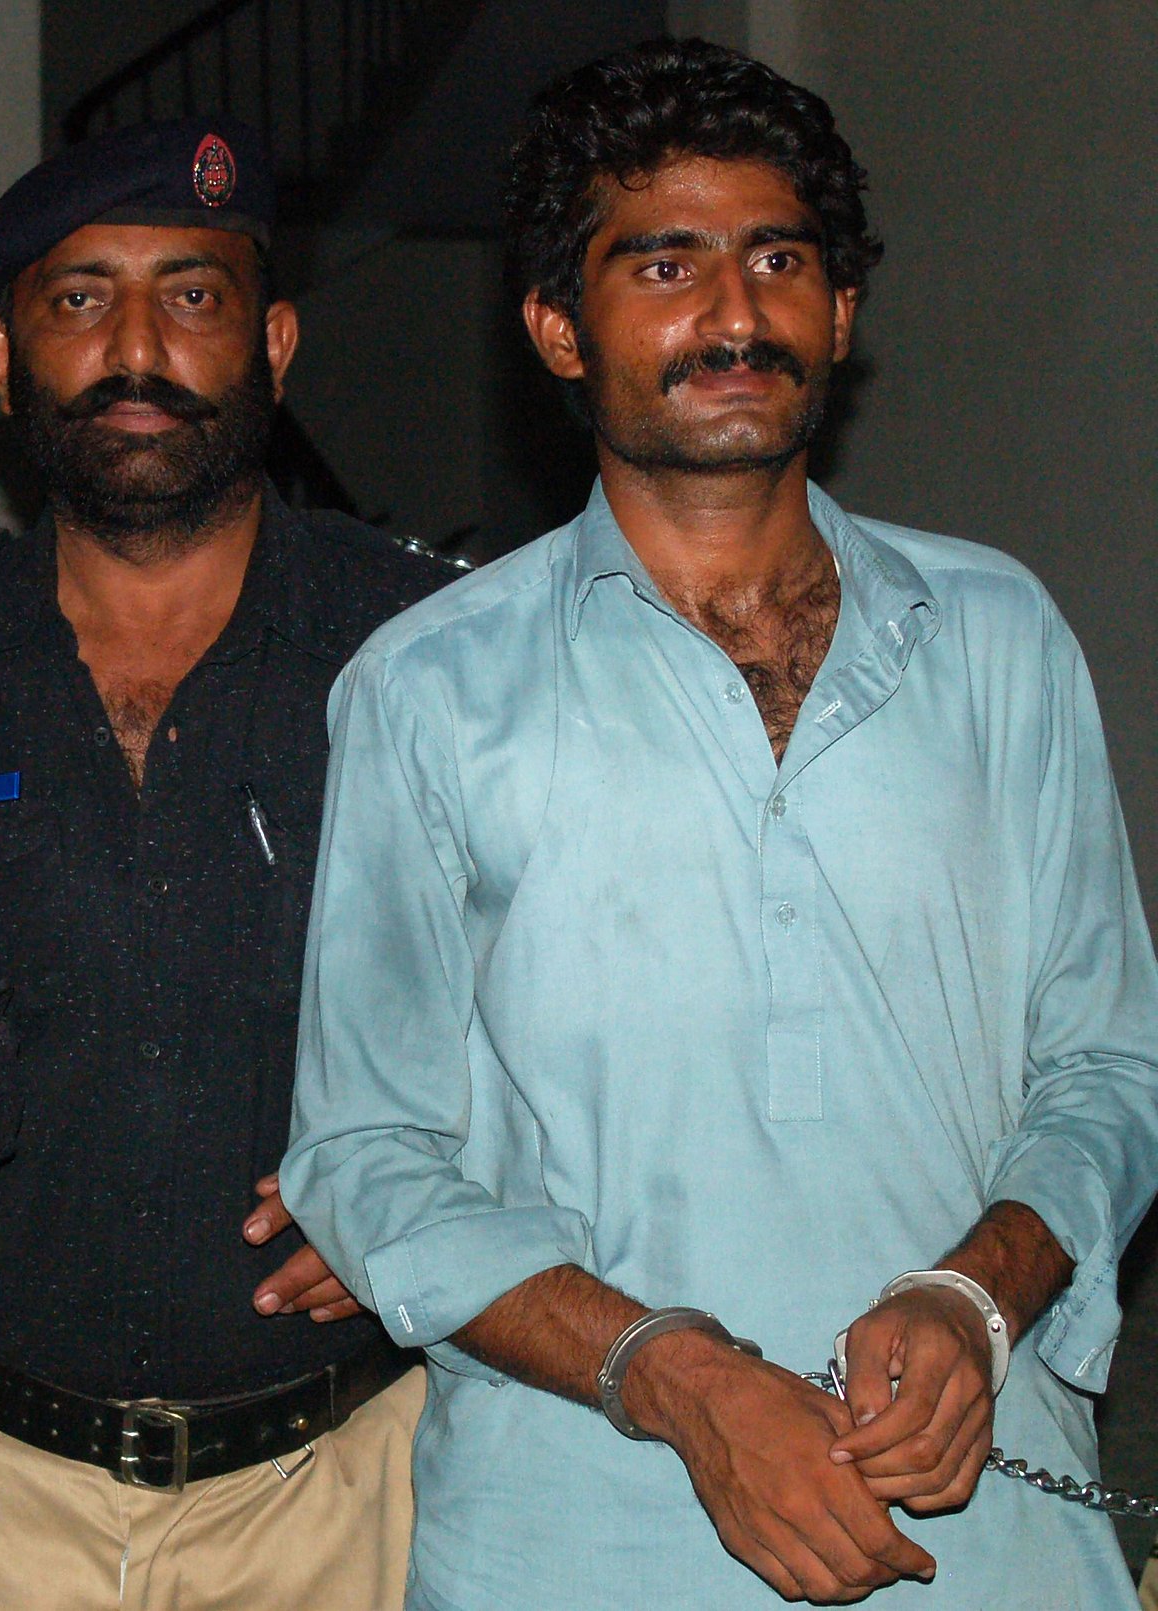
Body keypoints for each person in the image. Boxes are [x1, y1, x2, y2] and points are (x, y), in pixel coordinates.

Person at [281, 36, 1158, 1611]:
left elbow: (1110, 1065)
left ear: (841, 307)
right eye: (664, 265)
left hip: (977, 1530)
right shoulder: (429, 690)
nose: (734, 315)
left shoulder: (997, 635)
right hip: (580, 1536)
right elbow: (365, 1155)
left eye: (777, 260)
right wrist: (677, 1376)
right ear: (558, 324)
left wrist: (979, 1291)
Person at [0, 115, 454, 1609]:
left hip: (340, 1493)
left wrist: (444, 1183)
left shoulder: (429, 658)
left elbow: (589, 1003)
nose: (135, 347)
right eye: (77, 298)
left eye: (191, 296)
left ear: (275, 340)